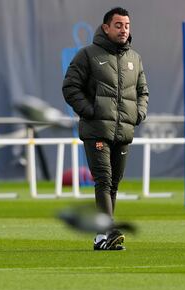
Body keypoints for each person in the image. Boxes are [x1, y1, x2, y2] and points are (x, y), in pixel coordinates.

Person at [62, 7, 149, 251]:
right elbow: (70, 87)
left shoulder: (135, 58)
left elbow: (143, 92)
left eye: (127, 25)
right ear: (106, 28)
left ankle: (102, 237)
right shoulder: (87, 55)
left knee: (114, 184)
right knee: (103, 180)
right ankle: (109, 230)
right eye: (119, 25)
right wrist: (91, 112)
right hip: (96, 130)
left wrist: (138, 114)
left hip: (123, 131)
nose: (124, 30)